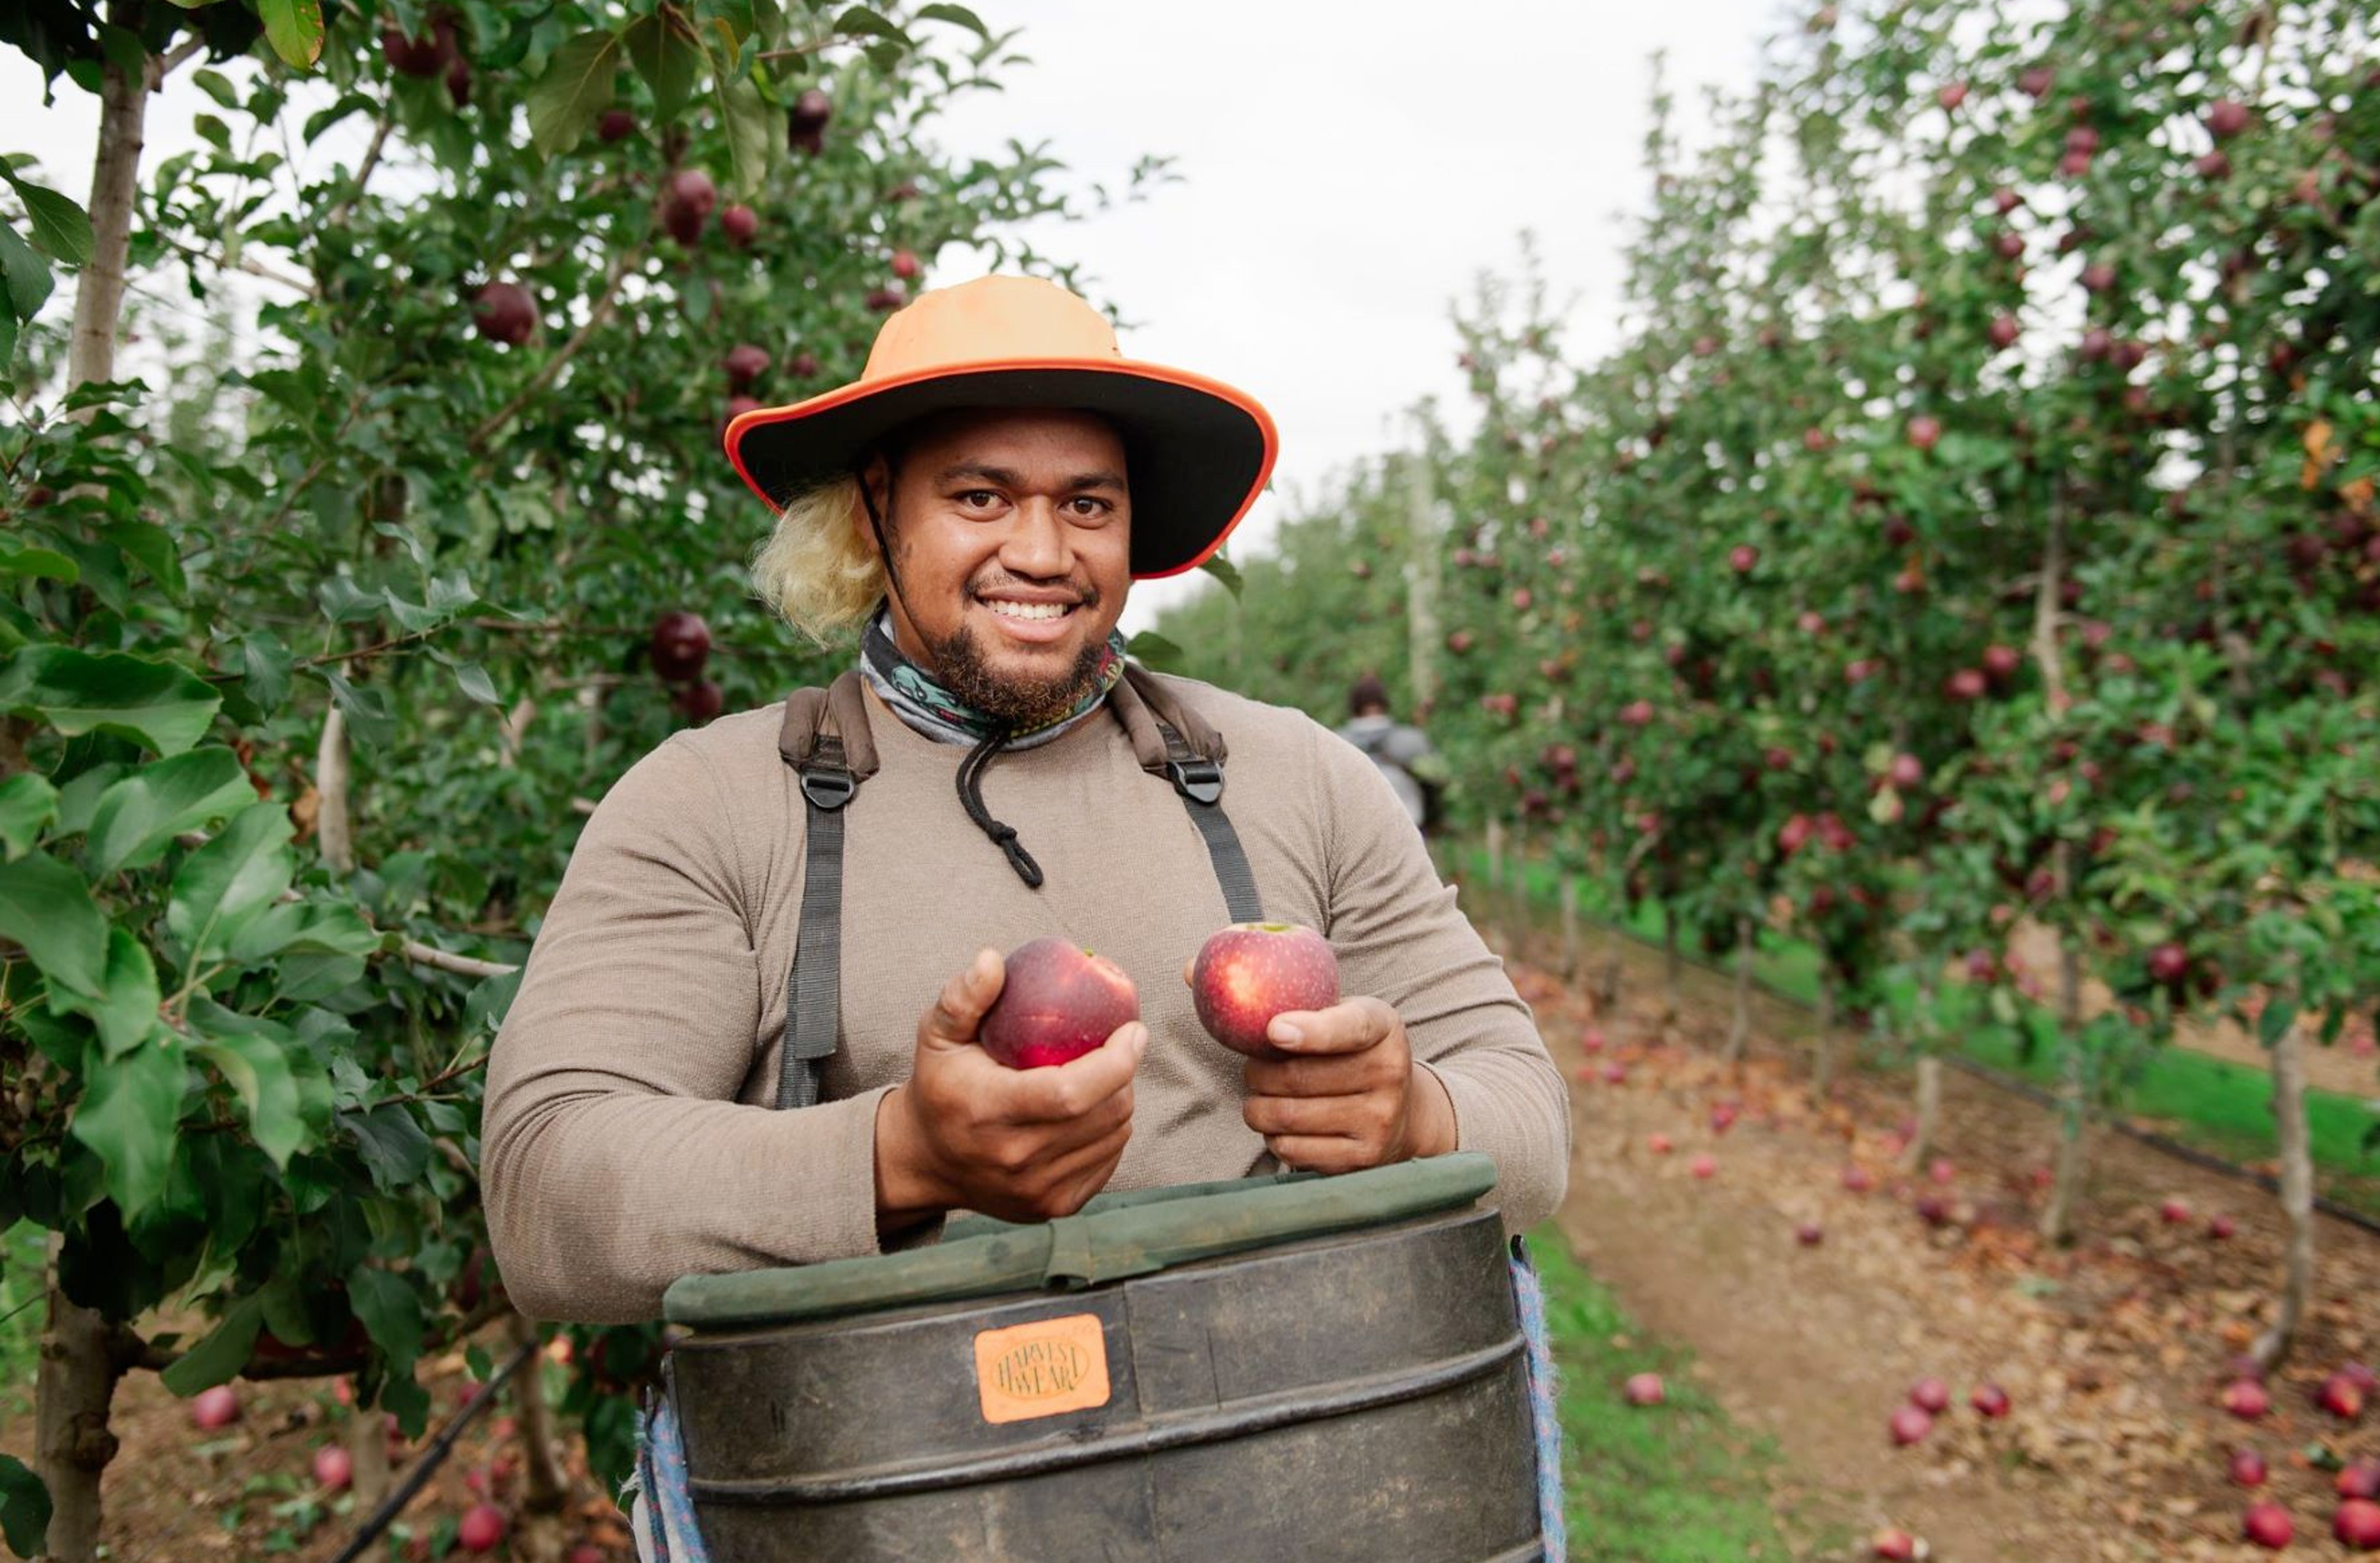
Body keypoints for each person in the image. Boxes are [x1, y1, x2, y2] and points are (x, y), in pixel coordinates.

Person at [482, 275, 1569, 1328]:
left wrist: (1417, 1113)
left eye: (1087, 502)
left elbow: (1528, 1118)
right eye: (979, 495)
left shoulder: (1294, 777)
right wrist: (899, 1156)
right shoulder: (714, 805)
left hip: (1275, 1456)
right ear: (872, 515)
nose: (1042, 553)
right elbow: (549, 1191)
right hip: (889, 1485)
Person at [1337, 673, 1449, 835]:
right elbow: (1438, 773)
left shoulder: (1336, 742)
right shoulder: (1411, 740)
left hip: (1355, 831)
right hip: (1407, 825)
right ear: (1385, 704)